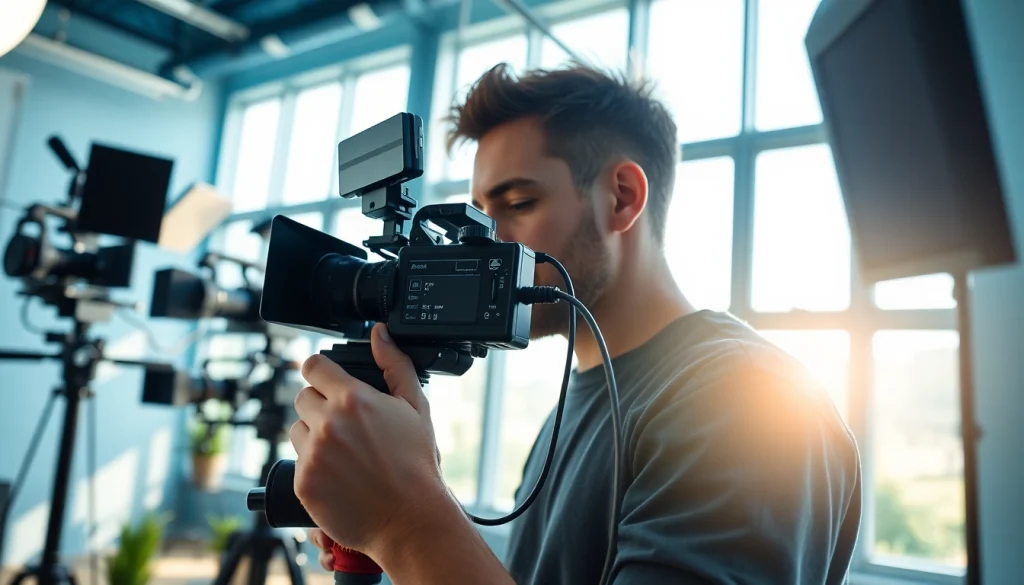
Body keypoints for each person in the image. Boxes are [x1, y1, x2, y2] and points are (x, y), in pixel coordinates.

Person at [291, 62, 862, 584]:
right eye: (478, 220)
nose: (487, 246)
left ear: (621, 198)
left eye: (516, 204)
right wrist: (383, 518)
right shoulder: (572, 409)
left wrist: (406, 520)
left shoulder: (744, 399)